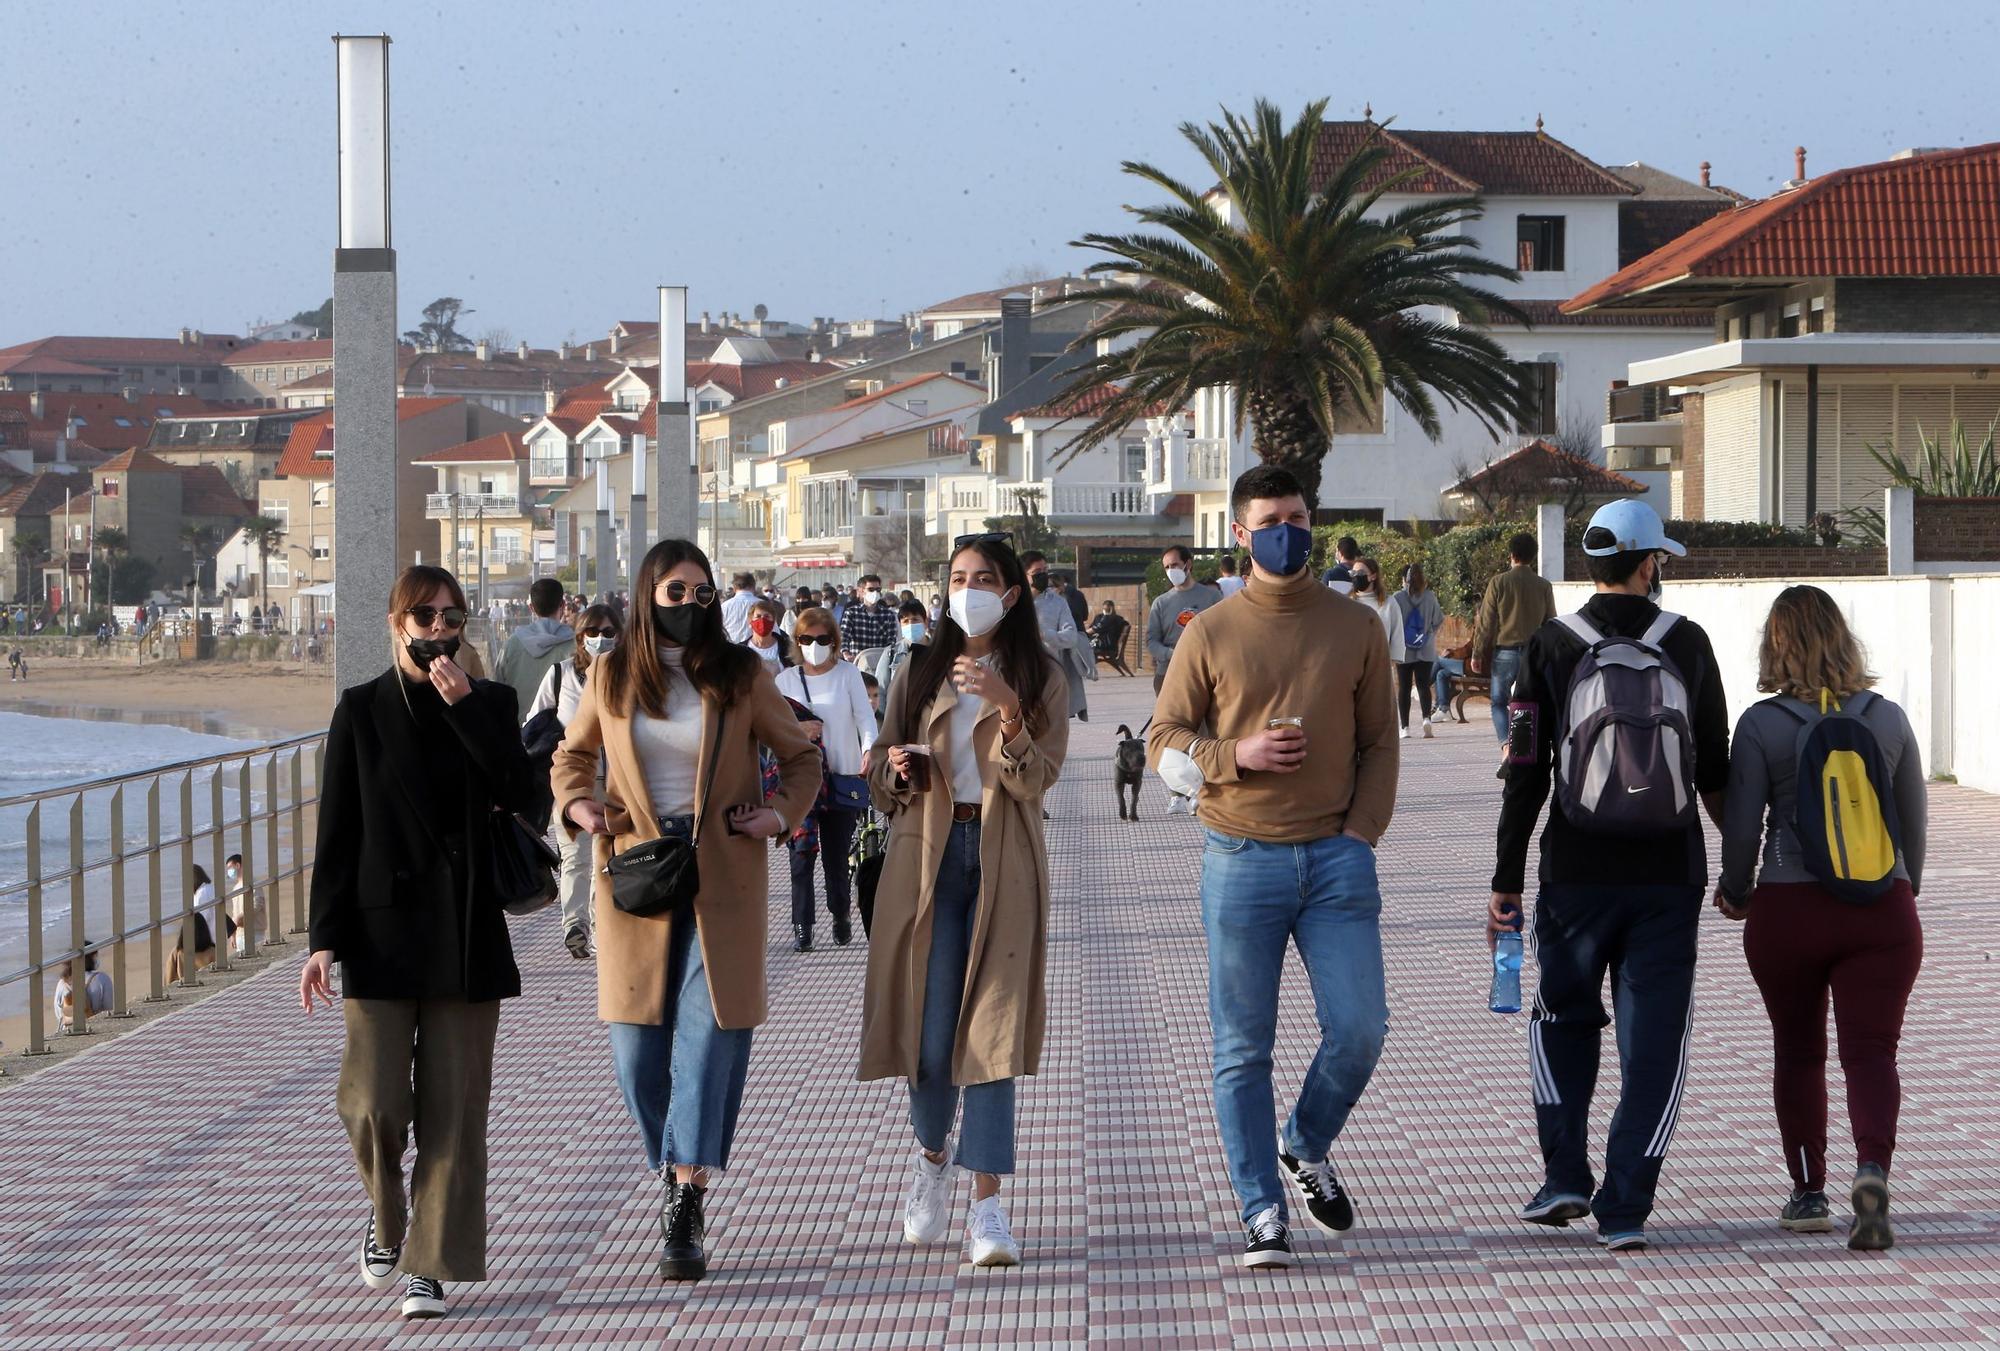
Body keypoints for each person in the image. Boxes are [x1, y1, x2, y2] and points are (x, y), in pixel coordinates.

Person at [1149, 465, 1398, 1269]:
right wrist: (1236, 754)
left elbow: (1380, 741)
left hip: (1336, 857)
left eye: (1297, 515)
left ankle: (1305, 1142)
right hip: (1240, 854)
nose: (1286, 529)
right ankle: (1261, 1209)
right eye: (1270, 519)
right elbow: (1163, 740)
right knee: (1242, 1048)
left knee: (1360, 1029)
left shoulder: (1356, 626)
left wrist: (1361, 831)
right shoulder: (1209, 630)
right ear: (1241, 532)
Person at [552, 539, 820, 1284]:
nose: (692, 607)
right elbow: (570, 757)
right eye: (676, 593)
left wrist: (778, 815)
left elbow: (801, 757)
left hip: (722, 878)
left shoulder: (740, 675)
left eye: (704, 595)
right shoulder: (608, 675)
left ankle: (686, 1196)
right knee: (637, 1052)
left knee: (709, 1042)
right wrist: (578, 805)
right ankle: (673, 1163)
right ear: (648, 595)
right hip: (635, 875)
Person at [299, 563, 541, 1321]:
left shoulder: (492, 701)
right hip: (380, 929)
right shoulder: (361, 709)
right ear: (397, 621)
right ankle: (385, 1213)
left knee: (454, 1109)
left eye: (452, 617)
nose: (441, 630)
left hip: (466, 929)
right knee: (371, 1102)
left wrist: (469, 710)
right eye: (426, 616)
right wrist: (322, 939)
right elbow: (336, 830)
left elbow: (528, 795)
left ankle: (426, 1266)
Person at [1487, 499, 1730, 1253]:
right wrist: (1742, 869)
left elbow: (1523, 770)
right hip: (1670, 872)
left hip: (1574, 871)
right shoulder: (1687, 643)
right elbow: (1715, 767)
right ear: (1650, 562)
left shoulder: (1549, 645)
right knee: (1655, 1038)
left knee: (1561, 1016)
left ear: (1591, 563)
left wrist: (1506, 878)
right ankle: (1624, 1205)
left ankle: (1564, 1175)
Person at [862, 532, 1068, 1269]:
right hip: (927, 860)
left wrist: (1010, 710)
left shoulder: (1039, 674)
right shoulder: (916, 667)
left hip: (1003, 857)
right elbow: (881, 786)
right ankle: (930, 1156)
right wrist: (892, 766)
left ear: (1011, 593)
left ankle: (988, 1207)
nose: (970, 586)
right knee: (929, 1032)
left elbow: (1036, 780)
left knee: (993, 1038)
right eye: (957, 575)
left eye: (985, 576)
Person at [1715, 586, 1927, 1250]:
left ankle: (1809, 1193)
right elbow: (1913, 824)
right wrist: (1899, 892)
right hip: (1880, 910)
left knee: (1799, 1051)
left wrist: (1736, 890)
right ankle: (1872, 1172)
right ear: (1843, 639)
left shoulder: (1761, 724)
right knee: (1871, 1053)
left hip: (1788, 909)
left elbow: (1743, 828)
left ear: (1774, 644)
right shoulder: (1887, 717)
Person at [525, 602, 622, 960]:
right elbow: (534, 724)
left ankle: (599, 925)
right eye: (592, 632)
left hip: (616, 780)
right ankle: (575, 925)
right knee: (575, 856)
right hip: (572, 781)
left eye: (609, 632)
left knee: (606, 856)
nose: (600, 639)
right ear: (580, 637)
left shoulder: (627, 674)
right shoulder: (560, 674)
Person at [778, 606, 878, 949]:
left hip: (841, 778)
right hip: (801, 782)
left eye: (822, 639)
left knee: (836, 859)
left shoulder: (848, 675)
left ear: (833, 641)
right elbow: (770, 730)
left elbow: (865, 718)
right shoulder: (785, 680)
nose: (814, 645)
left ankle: (841, 914)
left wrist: (869, 751)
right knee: (801, 854)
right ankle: (802, 927)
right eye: (806, 639)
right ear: (797, 641)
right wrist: (798, 729)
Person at [1474, 533, 1558, 750]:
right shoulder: (1544, 586)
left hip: (1505, 652)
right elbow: (1551, 622)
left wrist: (1477, 653)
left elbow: (1486, 623)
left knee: (1499, 703)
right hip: (1534, 653)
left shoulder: (1498, 582)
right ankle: (1527, 748)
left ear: (1511, 555)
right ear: (1533, 556)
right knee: (1530, 704)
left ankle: (1506, 746)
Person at [1146, 546, 1223, 695]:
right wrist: (1171, 653)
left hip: (1205, 674)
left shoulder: (1212, 597)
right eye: (1166, 567)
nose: (1170, 570)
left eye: (1174, 565)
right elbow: (1151, 641)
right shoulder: (1161, 603)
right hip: (1168, 674)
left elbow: (1224, 633)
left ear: (1188, 564)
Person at [494, 578, 574, 717]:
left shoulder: (512, 643)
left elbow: (498, 686)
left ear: (531, 608)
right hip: (561, 731)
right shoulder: (575, 645)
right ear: (562, 604)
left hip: (517, 729)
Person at [1388, 564, 1444, 740]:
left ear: (1405, 580)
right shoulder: (1430, 597)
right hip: (1425, 649)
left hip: (1403, 649)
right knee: (1423, 685)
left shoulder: (1397, 598)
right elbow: (1438, 620)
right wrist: (1428, 635)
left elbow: (1391, 623)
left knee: (1404, 687)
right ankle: (1426, 719)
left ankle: (1404, 727)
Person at [875, 599, 931, 714]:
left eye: (915, 620)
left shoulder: (938, 651)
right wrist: (888, 720)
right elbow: (880, 690)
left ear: (925, 622)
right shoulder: (891, 653)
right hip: (899, 717)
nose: (911, 625)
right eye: (905, 621)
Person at [841, 573, 899, 656]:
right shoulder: (851, 613)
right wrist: (846, 653)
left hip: (880, 662)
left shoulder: (889, 615)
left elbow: (891, 641)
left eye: (878, 590)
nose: (875, 593)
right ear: (862, 591)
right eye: (871, 589)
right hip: (857, 661)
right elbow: (844, 636)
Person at [55, 949, 114, 1028]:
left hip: (68, 1029)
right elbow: (108, 1009)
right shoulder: (102, 978)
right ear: (92, 957)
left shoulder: (62, 983)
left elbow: (59, 1013)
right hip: (95, 1028)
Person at [745, 598, 793, 673]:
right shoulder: (743, 650)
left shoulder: (787, 647)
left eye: (767, 616)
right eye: (758, 616)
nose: (762, 620)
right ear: (750, 621)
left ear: (773, 621)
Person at [1087, 600, 1133, 677]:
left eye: (1107, 609)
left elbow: (1094, 629)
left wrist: (1107, 616)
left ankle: (1085, 670)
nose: (1105, 611)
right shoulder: (1100, 617)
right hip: (1102, 644)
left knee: (1083, 645)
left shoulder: (1112, 619)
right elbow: (1092, 628)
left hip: (1105, 646)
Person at [719, 573, 759, 644]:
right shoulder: (763, 605)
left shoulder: (725, 606)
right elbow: (774, 631)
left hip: (731, 650)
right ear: (753, 587)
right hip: (757, 650)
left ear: (734, 588)